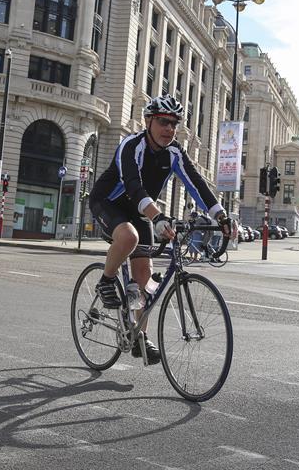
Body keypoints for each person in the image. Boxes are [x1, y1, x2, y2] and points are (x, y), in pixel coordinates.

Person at [89, 95, 232, 364]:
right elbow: (133, 186)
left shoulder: (175, 152)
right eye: (163, 122)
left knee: (144, 278)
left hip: (141, 211)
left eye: (174, 124)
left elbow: (197, 185)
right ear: (148, 121)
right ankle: (106, 280)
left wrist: (221, 215)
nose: (169, 129)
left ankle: (140, 337)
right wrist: (157, 217)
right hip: (109, 202)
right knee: (129, 236)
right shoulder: (131, 146)